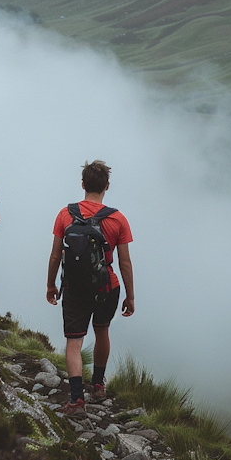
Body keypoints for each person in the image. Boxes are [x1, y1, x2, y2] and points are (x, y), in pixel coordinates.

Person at [46, 160, 134, 414]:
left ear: (82, 184)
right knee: (102, 330)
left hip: (74, 287)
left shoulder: (66, 214)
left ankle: (76, 399)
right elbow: (124, 262)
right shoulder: (118, 219)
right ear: (107, 186)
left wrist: (51, 284)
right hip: (107, 287)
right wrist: (130, 295)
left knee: (74, 341)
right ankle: (97, 384)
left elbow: (55, 255)